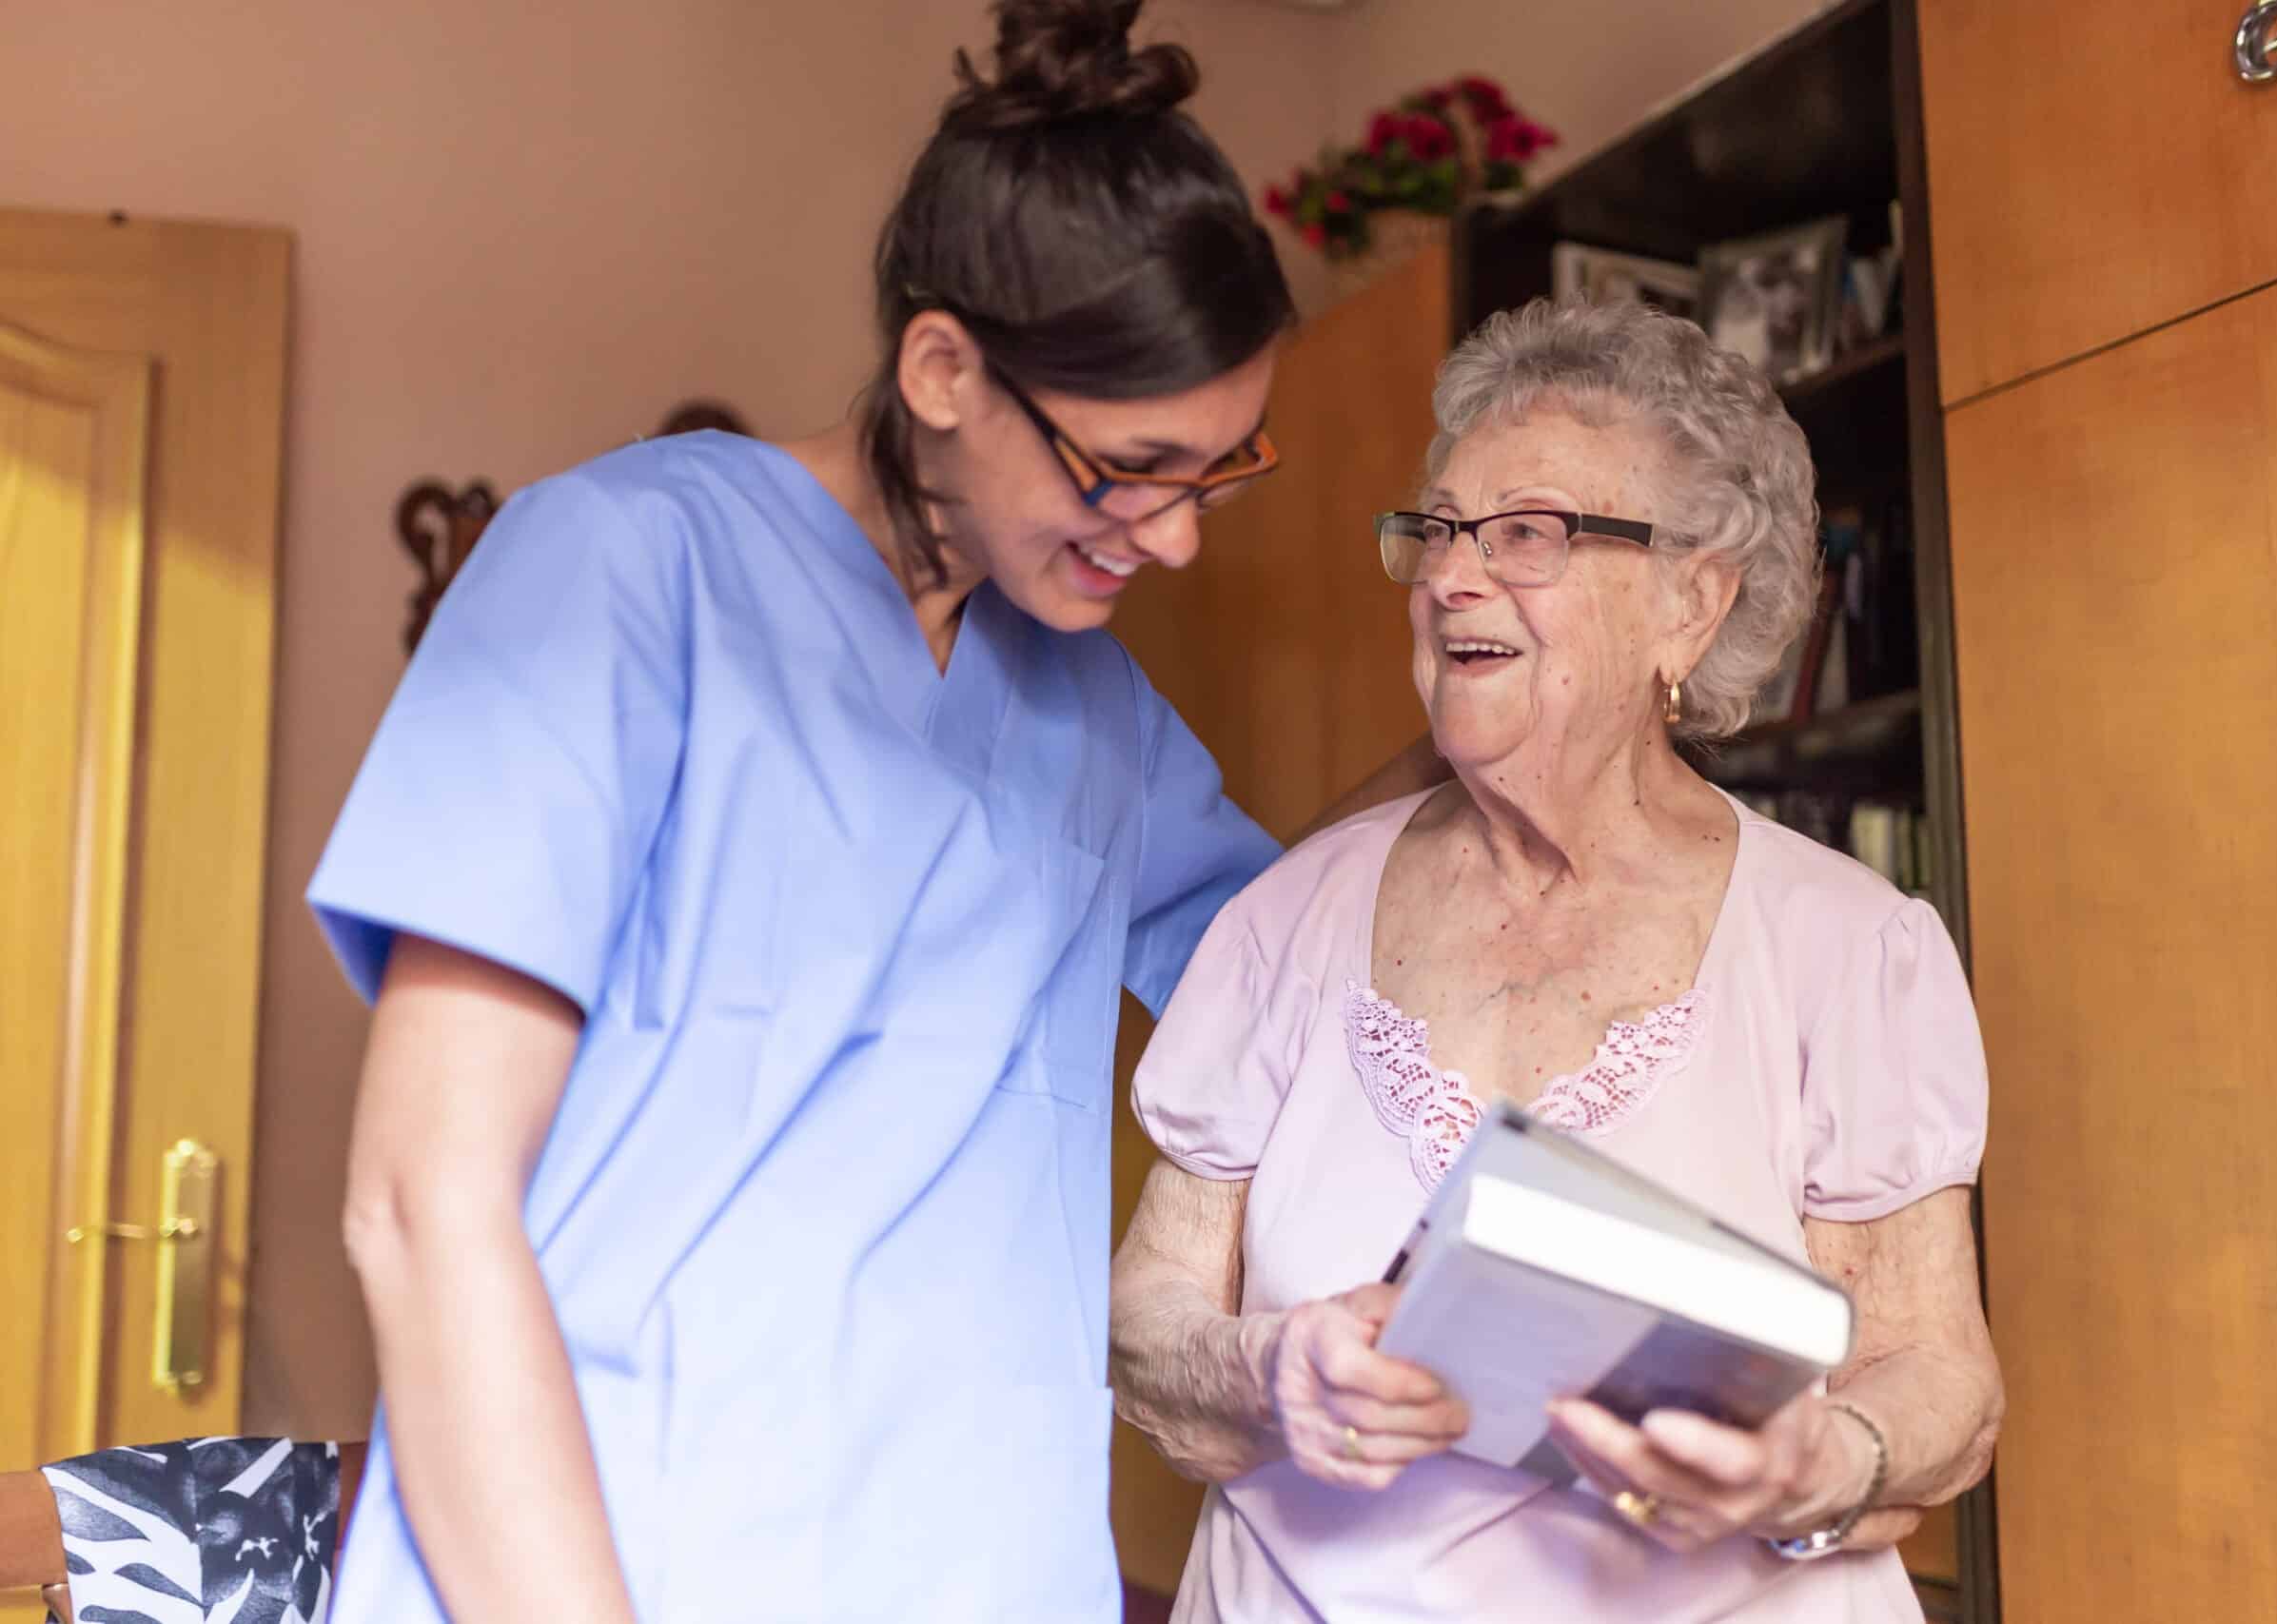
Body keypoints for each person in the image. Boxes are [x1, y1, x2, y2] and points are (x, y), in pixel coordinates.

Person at [310, 4, 1436, 1618]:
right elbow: (421, 1203)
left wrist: (1513, 732)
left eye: (1216, 472)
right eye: (1130, 468)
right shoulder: (615, 574)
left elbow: (1294, 959)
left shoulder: (1089, 709)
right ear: (941, 369)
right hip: (605, 1561)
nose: (1177, 539)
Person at [1110, 296, 2005, 1622]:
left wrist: (1826, 1458)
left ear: (1693, 603)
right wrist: (1268, 1368)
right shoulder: (1284, 920)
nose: (1452, 577)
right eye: (1441, 529)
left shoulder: (1850, 948)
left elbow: (1945, 1381)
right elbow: (1148, 1319)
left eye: (1527, 532)